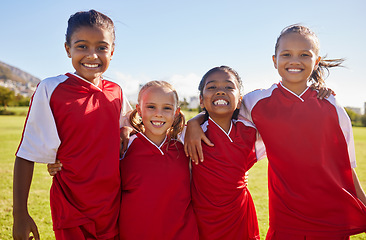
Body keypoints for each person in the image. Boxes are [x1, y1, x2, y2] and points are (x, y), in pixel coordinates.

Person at [185, 24, 366, 240]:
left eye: (304, 55)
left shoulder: (331, 105)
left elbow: (347, 168)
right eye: (287, 54)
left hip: (331, 220)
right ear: (274, 60)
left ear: (316, 61)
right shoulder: (256, 102)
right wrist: (194, 123)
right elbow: (222, 107)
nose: (294, 60)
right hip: (286, 220)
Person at [13, 10, 132, 240]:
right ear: (68, 49)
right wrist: (20, 214)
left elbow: (133, 127)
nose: (92, 55)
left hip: (113, 207)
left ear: (112, 51)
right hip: (71, 207)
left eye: (101, 47)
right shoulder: (50, 89)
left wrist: (126, 129)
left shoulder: (117, 91)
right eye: (82, 46)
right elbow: (26, 154)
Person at [191, 66, 265, 240]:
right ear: (201, 100)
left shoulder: (251, 131)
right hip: (203, 220)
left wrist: (316, 92)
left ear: (239, 100)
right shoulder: (189, 134)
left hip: (240, 216)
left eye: (228, 87)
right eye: (212, 87)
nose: (220, 91)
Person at [118, 80, 198, 240]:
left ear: (176, 112)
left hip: (181, 233)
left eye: (167, 108)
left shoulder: (185, 144)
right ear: (139, 110)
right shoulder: (125, 145)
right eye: (151, 106)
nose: (158, 114)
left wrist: (196, 121)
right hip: (134, 232)